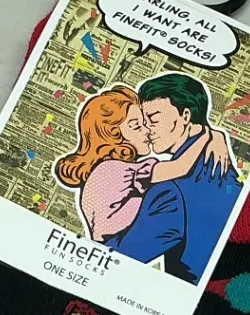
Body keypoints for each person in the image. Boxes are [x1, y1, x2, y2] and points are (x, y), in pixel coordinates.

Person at [112, 73, 240, 284]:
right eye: (143, 120)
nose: (147, 129)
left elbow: (120, 258)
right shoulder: (223, 169)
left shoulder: (170, 190)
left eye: (153, 119)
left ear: (185, 116)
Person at [53, 85, 224, 243]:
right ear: (114, 134)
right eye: (136, 126)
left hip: (109, 240)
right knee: (167, 195)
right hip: (118, 239)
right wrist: (207, 136)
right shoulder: (116, 170)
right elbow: (180, 167)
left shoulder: (105, 169)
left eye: (145, 124)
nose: (147, 130)